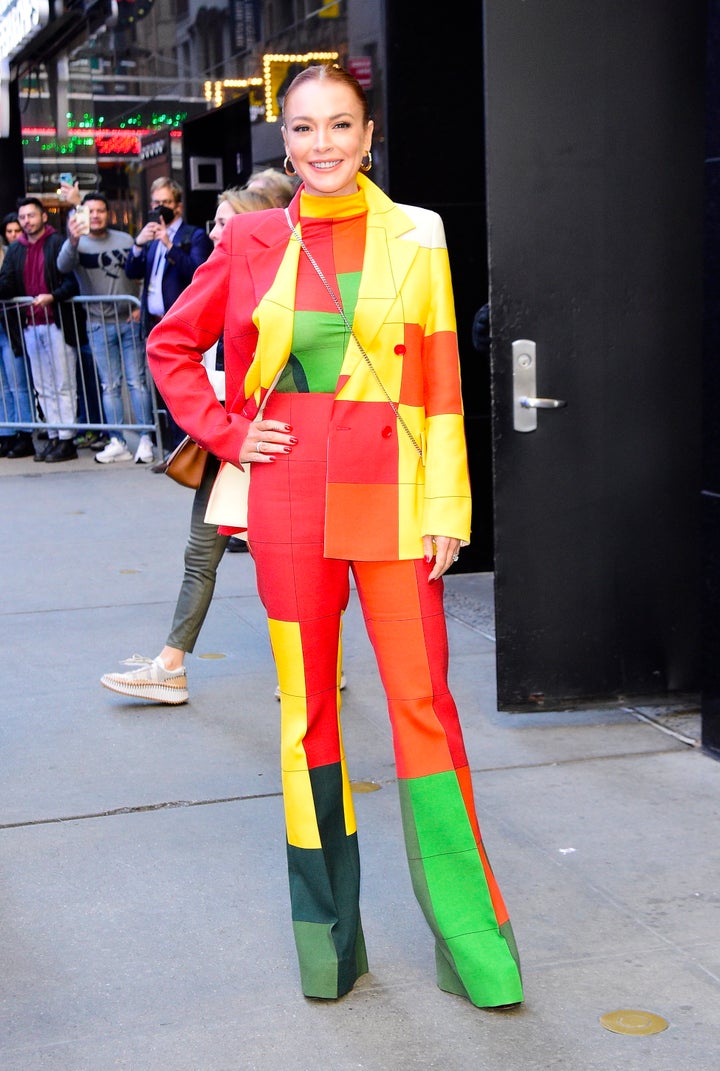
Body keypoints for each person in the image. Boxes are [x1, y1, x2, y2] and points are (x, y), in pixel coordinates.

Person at [145, 64, 523, 1009]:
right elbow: (171, 346)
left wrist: (448, 508)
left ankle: (474, 941)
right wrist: (231, 430)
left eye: (340, 126)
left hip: (394, 495)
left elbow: (439, 379)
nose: (322, 144)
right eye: (304, 128)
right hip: (286, 499)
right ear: (284, 137)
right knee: (307, 714)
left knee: (424, 706)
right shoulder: (253, 238)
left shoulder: (418, 234)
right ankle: (329, 945)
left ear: (368, 134)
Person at [100, 187, 278, 704]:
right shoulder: (222, 281)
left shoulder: (280, 284)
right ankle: (170, 666)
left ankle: (316, 664)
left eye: (226, 224)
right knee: (201, 554)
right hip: (226, 442)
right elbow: (176, 346)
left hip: (274, 441)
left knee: (284, 563)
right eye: (216, 223)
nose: (215, 233)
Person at [57, 192, 155, 464]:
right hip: (98, 324)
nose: (96, 215)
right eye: (91, 211)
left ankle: (146, 438)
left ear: (108, 213)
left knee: (137, 382)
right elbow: (62, 266)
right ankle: (117, 441)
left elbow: (143, 274)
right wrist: (73, 239)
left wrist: (138, 306)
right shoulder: (76, 244)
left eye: (101, 210)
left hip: (129, 321)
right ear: (83, 215)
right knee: (109, 385)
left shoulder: (125, 240)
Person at [124, 177, 212, 453]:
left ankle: (183, 448)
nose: (160, 208)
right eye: (156, 203)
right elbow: (132, 272)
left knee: (181, 388)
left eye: (166, 203)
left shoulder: (193, 235)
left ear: (178, 206)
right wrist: (139, 244)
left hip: (181, 322)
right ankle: (169, 448)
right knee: (160, 387)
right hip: (153, 323)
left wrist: (170, 246)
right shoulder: (149, 237)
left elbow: (198, 271)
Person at [0, 197, 81, 462]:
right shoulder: (15, 250)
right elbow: (8, 283)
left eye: (31, 216)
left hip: (56, 322)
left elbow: (72, 283)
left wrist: (53, 297)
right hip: (30, 325)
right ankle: (55, 435)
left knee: (63, 383)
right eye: (22, 217)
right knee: (42, 386)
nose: (26, 222)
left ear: (43, 217)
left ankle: (67, 438)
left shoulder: (57, 243)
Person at [0, 212, 36, 458]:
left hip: (10, 327)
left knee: (17, 383)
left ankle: (24, 433)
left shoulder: (12, 255)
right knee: (3, 385)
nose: (13, 235)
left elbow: (9, 286)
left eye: (17, 230)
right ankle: (7, 432)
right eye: (9, 231)